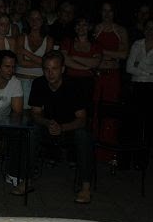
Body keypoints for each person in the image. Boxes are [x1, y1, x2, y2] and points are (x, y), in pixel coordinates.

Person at [11, 51, 93, 203]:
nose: (50, 73)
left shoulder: (74, 86)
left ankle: (86, 186)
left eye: (54, 68)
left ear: (62, 69)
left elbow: (82, 119)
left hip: (69, 129)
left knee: (84, 135)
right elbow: (35, 113)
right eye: (47, 69)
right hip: (48, 126)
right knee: (31, 131)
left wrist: (62, 127)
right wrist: (47, 123)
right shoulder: (39, 83)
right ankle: (27, 180)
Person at [16, 9, 53, 108]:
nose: (34, 21)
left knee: (39, 112)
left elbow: (47, 62)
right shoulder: (21, 38)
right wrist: (41, 63)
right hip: (22, 80)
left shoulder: (49, 40)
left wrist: (25, 52)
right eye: (31, 18)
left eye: (38, 19)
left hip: (41, 81)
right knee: (21, 111)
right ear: (28, 20)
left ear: (43, 20)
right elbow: (21, 62)